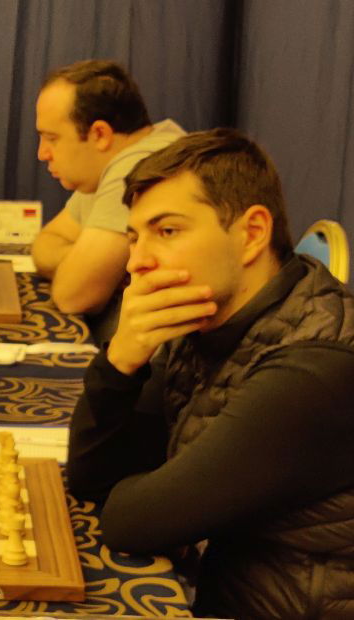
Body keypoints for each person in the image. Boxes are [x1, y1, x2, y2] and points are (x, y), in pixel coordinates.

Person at [67, 128, 354, 618]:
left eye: (167, 231)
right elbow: (93, 478)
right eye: (134, 238)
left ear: (252, 234)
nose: (137, 263)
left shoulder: (313, 370)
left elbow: (133, 522)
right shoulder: (203, 319)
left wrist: (147, 485)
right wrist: (119, 362)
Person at [31, 60, 185, 343]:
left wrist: (83, 265)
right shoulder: (113, 164)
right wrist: (79, 260)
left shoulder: (141, 166)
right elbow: (46, 241)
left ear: (99, 134)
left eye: (52, 138)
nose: (42, 154)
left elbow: (73, 295)